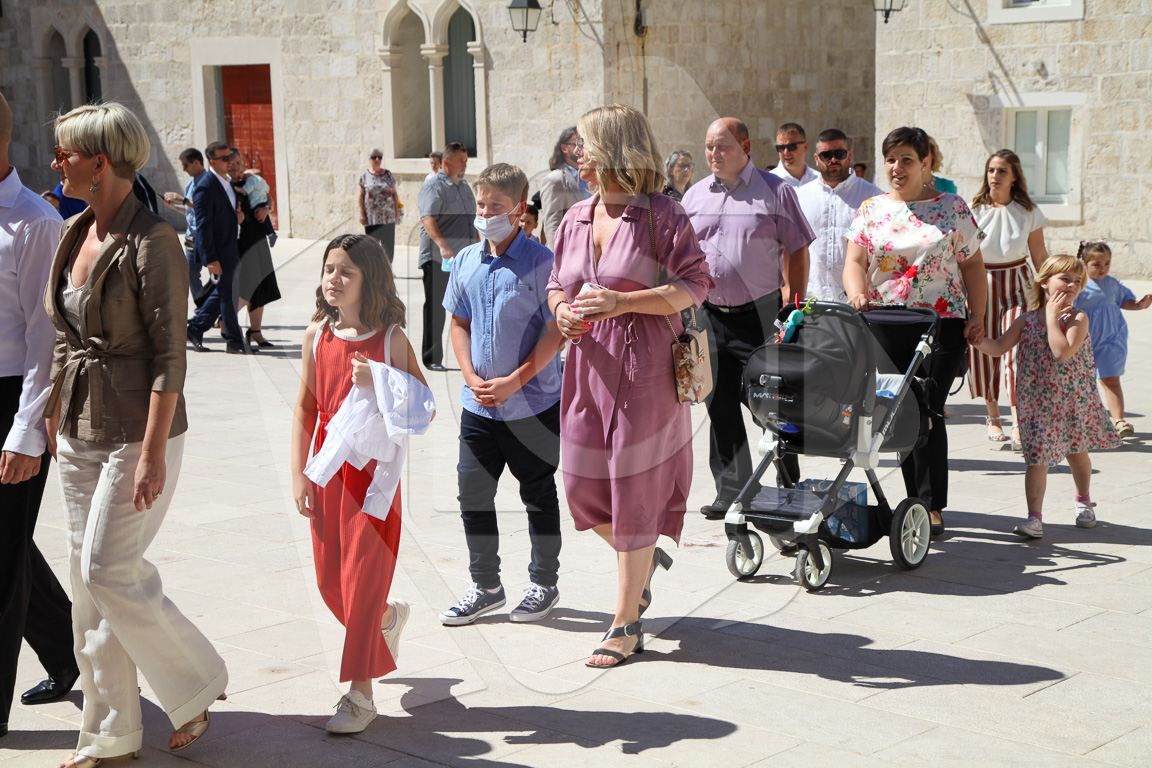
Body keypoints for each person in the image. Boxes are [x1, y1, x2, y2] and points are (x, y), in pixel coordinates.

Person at [44, 102, 228, 767]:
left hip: (137, 432)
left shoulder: (153, 240)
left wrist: (152, 452)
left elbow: (169, 356)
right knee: (86, 583)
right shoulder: (73, 232)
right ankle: (110, 736)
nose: (55, 163)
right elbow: (64, 333)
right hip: (78, 426)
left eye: (65, 153)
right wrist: (50, 411)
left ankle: (197, 679)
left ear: (100, 163)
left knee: (107, 568)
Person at [547, 104, 715, 668]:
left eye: (585, 144)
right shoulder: (575, 216)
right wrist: (562, 312)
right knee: (580, 486)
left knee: (635, 491)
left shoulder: (662, 214)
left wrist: (623, 302)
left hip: (646, 369)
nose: (577, 154)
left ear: (613, 150)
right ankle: (640, 566)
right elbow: (556, 283)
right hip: (586, 365)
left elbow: (696, 284)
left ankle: (625, 621)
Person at [291, 234, 428, 734]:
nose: (334, 278)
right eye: (329, 268)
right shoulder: (316, 335)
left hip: (372, 480)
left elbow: (425, 404)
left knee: (360, 583)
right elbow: (306, 409)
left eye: (346, 271)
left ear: (370, 279)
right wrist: (299, 474)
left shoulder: (391, 339)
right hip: (327, 470)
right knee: (332, 585)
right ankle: (386, 619)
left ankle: (360, 696)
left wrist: (382, 381)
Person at [844, 126, 988, 539]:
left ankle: (930, 504)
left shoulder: (952, 207)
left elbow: (972, 265)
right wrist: (856, 293)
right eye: (890, 159)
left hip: (942, 324)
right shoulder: (871, 209)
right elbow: (854, 262)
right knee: (901, 410)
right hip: (885, 323)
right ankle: (916, 503)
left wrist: (978, 314)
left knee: (928, 409)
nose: (896, 167)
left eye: (906, 159)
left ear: (926, 162)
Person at [439, 163, 565, 625]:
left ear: (519, 210)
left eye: (496, 205)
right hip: (479, 408)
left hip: (532, 406)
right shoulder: (466, 260)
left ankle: (544, 584)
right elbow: (459, 322)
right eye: (481, 204)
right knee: (472, 495)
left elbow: (556, 333)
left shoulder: (542, 263)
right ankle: (486, 586)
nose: (486, 213)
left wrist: (516, 380)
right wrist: (469, 374)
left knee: (538, 495)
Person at [681, 117, 813, 519]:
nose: (714, 154)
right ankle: (732, 492)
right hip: (708, 315)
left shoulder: (776, 191)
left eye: (723, 146)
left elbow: (798, 249)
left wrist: (794, 301)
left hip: (761, 314)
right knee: (719, 404)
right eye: (709, 146)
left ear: (746, 146)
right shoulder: (694, 195)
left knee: (773, 404)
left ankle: (789, 485)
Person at [0, 91, 77, 741]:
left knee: (1, 558)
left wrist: (27, 431)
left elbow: (44, 339)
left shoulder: (35, 222)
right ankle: (67, 647)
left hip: (12, 401)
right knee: (8, 544)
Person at [974, 254, 1120, 537]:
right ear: (1044, 283)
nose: (1072, 285)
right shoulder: (1026, 319)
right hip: (1036, 403)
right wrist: (978, 342)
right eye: (1065, 278)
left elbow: (1061, 352)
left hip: (1073, 400)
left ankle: (1083, 501)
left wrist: (1052, 318)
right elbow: (999, 347)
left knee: (1077, 454)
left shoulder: (1078, 318)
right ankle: (1034, 518)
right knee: (1036, 460)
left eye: (1077, 281)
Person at [967, 149, 1049, 449]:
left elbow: (1040, 257)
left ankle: (1017, 420)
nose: (995, 176)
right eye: (991, 170)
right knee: (982, 346)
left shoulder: (1028, 211)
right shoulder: (973, 210)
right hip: (981, 282)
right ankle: (992, 415)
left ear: (1014, 176)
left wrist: (1052, 292)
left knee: (1015, 352)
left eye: (1002, 170)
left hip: (1018, 284)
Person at [1074, 241, 1152, 438]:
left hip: (1111, 339)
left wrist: (1140, 305)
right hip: (1083, 341)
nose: (1103, 268)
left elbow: (1125, 301)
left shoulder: (1113, 284)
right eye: (1097, 264)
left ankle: (1119, 421)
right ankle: (1082, 421)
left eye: (1107, 263)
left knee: (1111, 379)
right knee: (1082, 382)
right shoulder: (1078, 285)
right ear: (1084, 263)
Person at [796, 128, 882, 302]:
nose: (833, 159)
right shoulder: (799, 197)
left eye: (839, 154)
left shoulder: (874, 197)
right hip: (811, 300)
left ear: (849, 155)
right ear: (816, 159)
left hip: (857, 301)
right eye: (826, 155)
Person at [418, 142, 476, 371]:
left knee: (469, 307)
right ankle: (432, 358)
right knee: (436, 308)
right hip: (439, 258)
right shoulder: (433, 187)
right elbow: (427, 218)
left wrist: (479, 247)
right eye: (461, 161)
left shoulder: (465, 187)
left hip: (465, 258)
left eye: (466, 161)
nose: (464, 165)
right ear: (446, 162)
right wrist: (443, 246)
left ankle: (474, 357)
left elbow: (472, 220)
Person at [187, 140, 246, 354]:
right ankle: (234, 342)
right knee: (227, 295)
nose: (230, 161)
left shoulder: (228, 181)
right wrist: (210, 258)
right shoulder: (205, 186)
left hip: (231, 245)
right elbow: (203, 226)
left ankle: (195, 328)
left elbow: (225, 213)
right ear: (213, 161)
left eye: (231, 156)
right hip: (218, 251)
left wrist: (237, 217)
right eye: (225, 158)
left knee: (223, 292)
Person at [227, 150, 281, 348]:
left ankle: (256, 331)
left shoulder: (250, 182)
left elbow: (268, 198)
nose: (235, 167)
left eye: (238, 163)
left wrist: (267, 207)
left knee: (261, 286)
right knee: (247, 285)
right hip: (240, 242)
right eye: (231, 163)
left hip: (257, 239)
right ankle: (226, 323)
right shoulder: (226, 188)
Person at [162, 147, 209, 300]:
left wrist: (182, 199)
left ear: (197, 163)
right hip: (191, 238)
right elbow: (190, 210)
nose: (183, 169)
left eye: (185, 165)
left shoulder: (209, 182)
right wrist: (174, 206)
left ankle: (215, 309)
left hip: (207, 238)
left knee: (216, 277)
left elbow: (204, 207)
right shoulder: (190, 184)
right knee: (190, 274)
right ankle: (203, 307)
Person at [539, 127, 590, 245]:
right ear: (564, 148)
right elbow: (552, 225)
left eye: (584, 144)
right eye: (577, 144)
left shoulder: (589, 177)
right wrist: (556, 255)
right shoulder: (555, 180)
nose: (580, 148)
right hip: (571, 249)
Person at [358, 148, 400, 261]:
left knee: (388, 247)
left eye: (379, 157)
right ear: (369, 159)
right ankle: (373, 267)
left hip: (388, 217)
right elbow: (361, 196)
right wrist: (362, 214)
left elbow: (394, 194)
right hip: (372, 218)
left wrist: (397, 213)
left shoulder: (388, 174)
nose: (377, 159)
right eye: (374, 157)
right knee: (372, 246)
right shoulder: (364, 176)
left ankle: (388, 267)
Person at [769, 122, 819, 188]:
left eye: (791, 147)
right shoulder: (768, 182)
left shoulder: (819, 180)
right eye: (781, 148)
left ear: (805, 146)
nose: (786, 152)